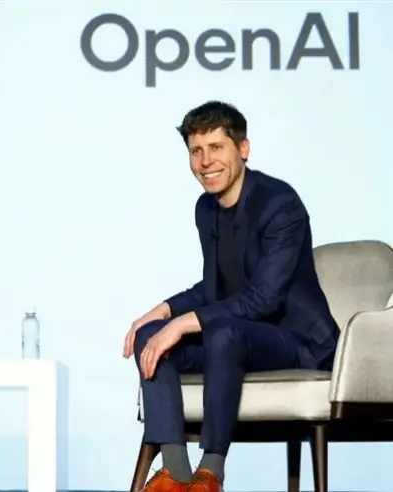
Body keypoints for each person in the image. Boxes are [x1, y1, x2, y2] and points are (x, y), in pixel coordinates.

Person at [122, 102, 339, 492]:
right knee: (149, 335)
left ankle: (210, 473)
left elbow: (265, 298)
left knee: (222, 332)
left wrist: (182, 324)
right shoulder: (205, 208)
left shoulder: (280, 204)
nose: (205, 161)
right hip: (239, 337)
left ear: (243, 148)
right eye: (196, 151)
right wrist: (162, 313)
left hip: (296, 340)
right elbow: (215, 289)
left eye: (216, 148)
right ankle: (176, 472)